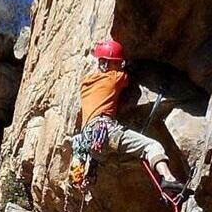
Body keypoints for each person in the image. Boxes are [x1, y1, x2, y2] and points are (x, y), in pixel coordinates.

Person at [67, 38, 183, 195]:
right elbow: (128, 76)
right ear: (107, 64)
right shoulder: (114, 78)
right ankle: (168, 179)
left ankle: (164, 190)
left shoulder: (86, 83)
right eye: (116, 63)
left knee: (128, 161)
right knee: (151, 146)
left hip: (91, 142)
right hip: (106, 132)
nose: (119, 66)